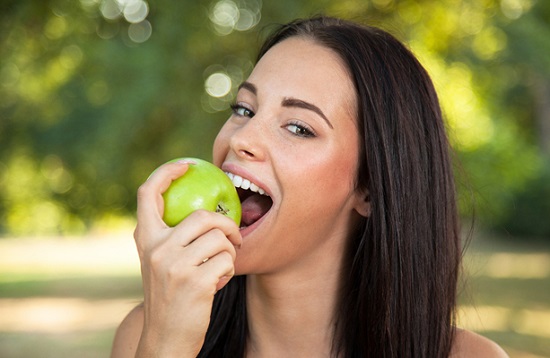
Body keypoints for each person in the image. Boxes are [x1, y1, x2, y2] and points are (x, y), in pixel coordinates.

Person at [111, 16, 509, 357]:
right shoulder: (147, 336)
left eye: (299, 128)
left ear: (368, 189)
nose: (241, 138)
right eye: (244, 109)